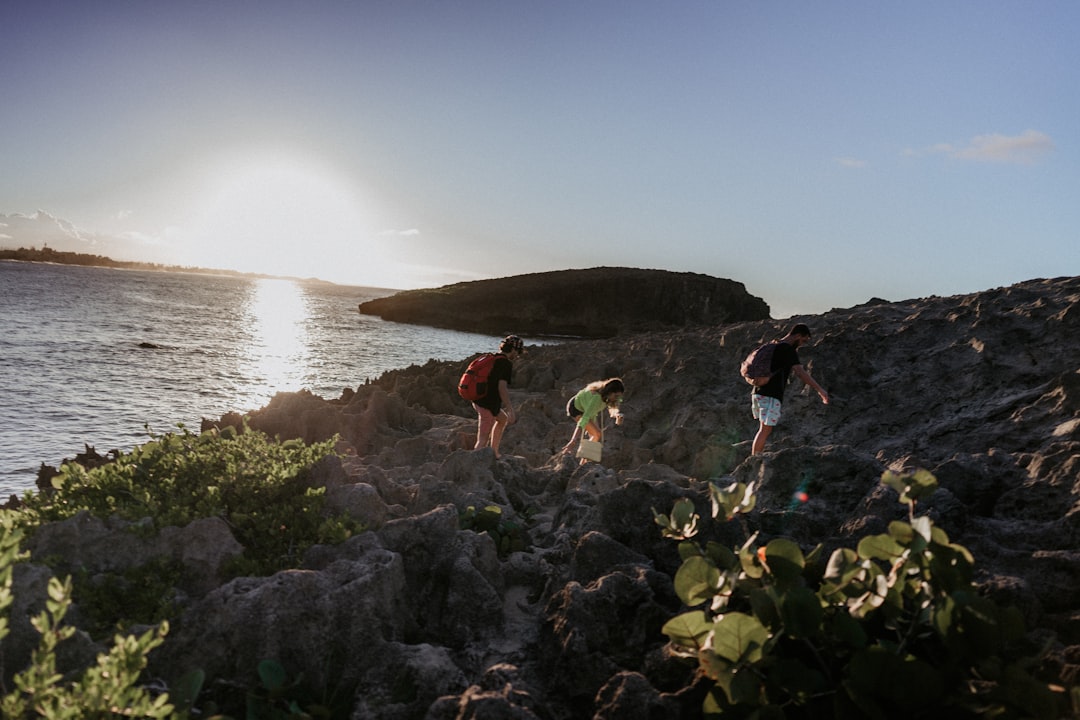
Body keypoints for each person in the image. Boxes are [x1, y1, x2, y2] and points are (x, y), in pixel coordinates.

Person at [751, 323, 828, 455]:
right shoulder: (787, 349)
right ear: (797, 335)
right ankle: (755, 459)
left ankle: (755, 458)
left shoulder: (774, 344)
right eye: (803, 340)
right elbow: (799, 371)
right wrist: (819, 389)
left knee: (763, 428)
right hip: (771, 393)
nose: (802, 344)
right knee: (765, 429)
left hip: (758, 391)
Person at [473, 335, 525, 458]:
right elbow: (502, 388)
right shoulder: (505, 363)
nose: (517, 355)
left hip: (479, 399)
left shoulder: (493, 357)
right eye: (518, 352)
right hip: (487, 404)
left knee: (502, 419)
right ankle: (473, 463)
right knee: (482, 440)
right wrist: (510, 408)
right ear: (513, 350)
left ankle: (494, 452)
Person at [562, 378, 625, 457]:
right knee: (597, 434)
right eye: (616, 396)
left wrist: (617, 416)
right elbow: (584, 419)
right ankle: (580, 458)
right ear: (609, 392)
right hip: (576, 408)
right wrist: (573, 441)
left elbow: (612, 408)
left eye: (619, 397)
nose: (617, 399)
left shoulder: (608, 397)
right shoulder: (597, 398)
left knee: (596, 435)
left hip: (588, 409)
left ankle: (584, 460)